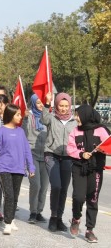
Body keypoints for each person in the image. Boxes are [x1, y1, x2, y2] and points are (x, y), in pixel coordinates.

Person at [67, 104, 110, 243]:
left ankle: (89, 230)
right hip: (79, 167)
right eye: (75, 114)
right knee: (78, 197)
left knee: (93, 199)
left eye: (78, 115)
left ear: (86, 115)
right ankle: (76, 218)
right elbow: (70, 149)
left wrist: (103, 150)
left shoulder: (101, 130)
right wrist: (81, 154)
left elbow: (109, 146)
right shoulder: (75, 131)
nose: (76, 118)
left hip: (96, 168)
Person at [0, 104, 35, 235]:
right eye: (18, 114)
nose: (20, 116)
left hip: (18, 168)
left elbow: (27, 150)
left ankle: (11, 218)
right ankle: (8, 223)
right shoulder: (2, 130)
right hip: (4, 167)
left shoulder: (21, 131)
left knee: (15, 196)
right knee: (9, 195)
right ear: (10, 115)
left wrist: (30, 167)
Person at [41, 92, 77, 232]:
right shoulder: (51, 118)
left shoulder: (74, 122)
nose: (63, 108)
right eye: (61, 105)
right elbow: (43, 119)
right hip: (51, 155)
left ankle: (60, 218)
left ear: (69, 106)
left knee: (63, 189)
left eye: (66, 106)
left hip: (68, 158)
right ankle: (53, 217)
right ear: (56, 105)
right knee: (56, 186)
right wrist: (46, 103)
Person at [23, 94, 48, 224]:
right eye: (38, 103)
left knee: (44, 187)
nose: (41, 105)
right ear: (33, 103)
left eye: (42, 103)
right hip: (32, 153)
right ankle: (32, 212)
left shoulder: (47, 117)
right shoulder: (28, 116)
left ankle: (39, 211)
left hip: (46, 155)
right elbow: (23, 132)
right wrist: (25, 119)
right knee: (36, 185)